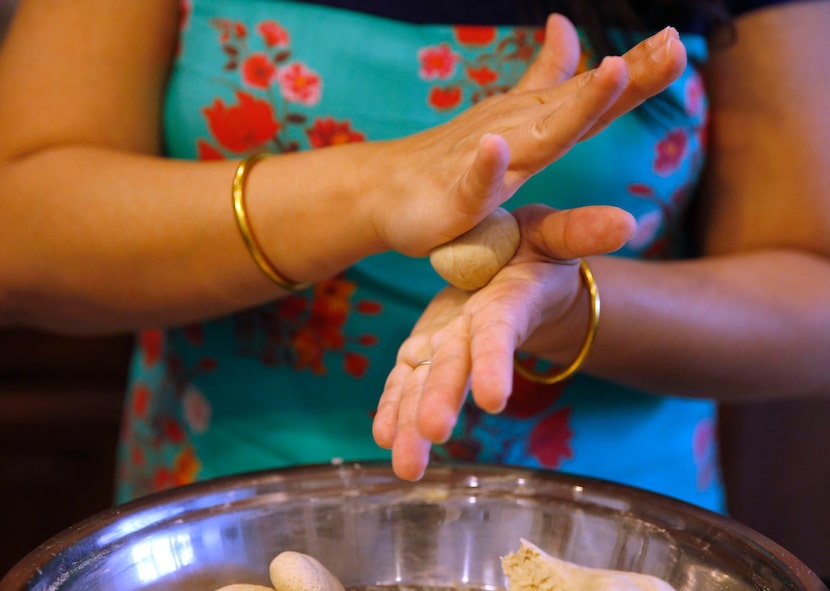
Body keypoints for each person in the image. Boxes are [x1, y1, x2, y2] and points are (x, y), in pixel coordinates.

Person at [0, 0, 827, 516]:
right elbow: (21, 229)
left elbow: (811, 289)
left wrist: (567, 302)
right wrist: (373, 188)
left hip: (604, 538)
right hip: (223, 524)